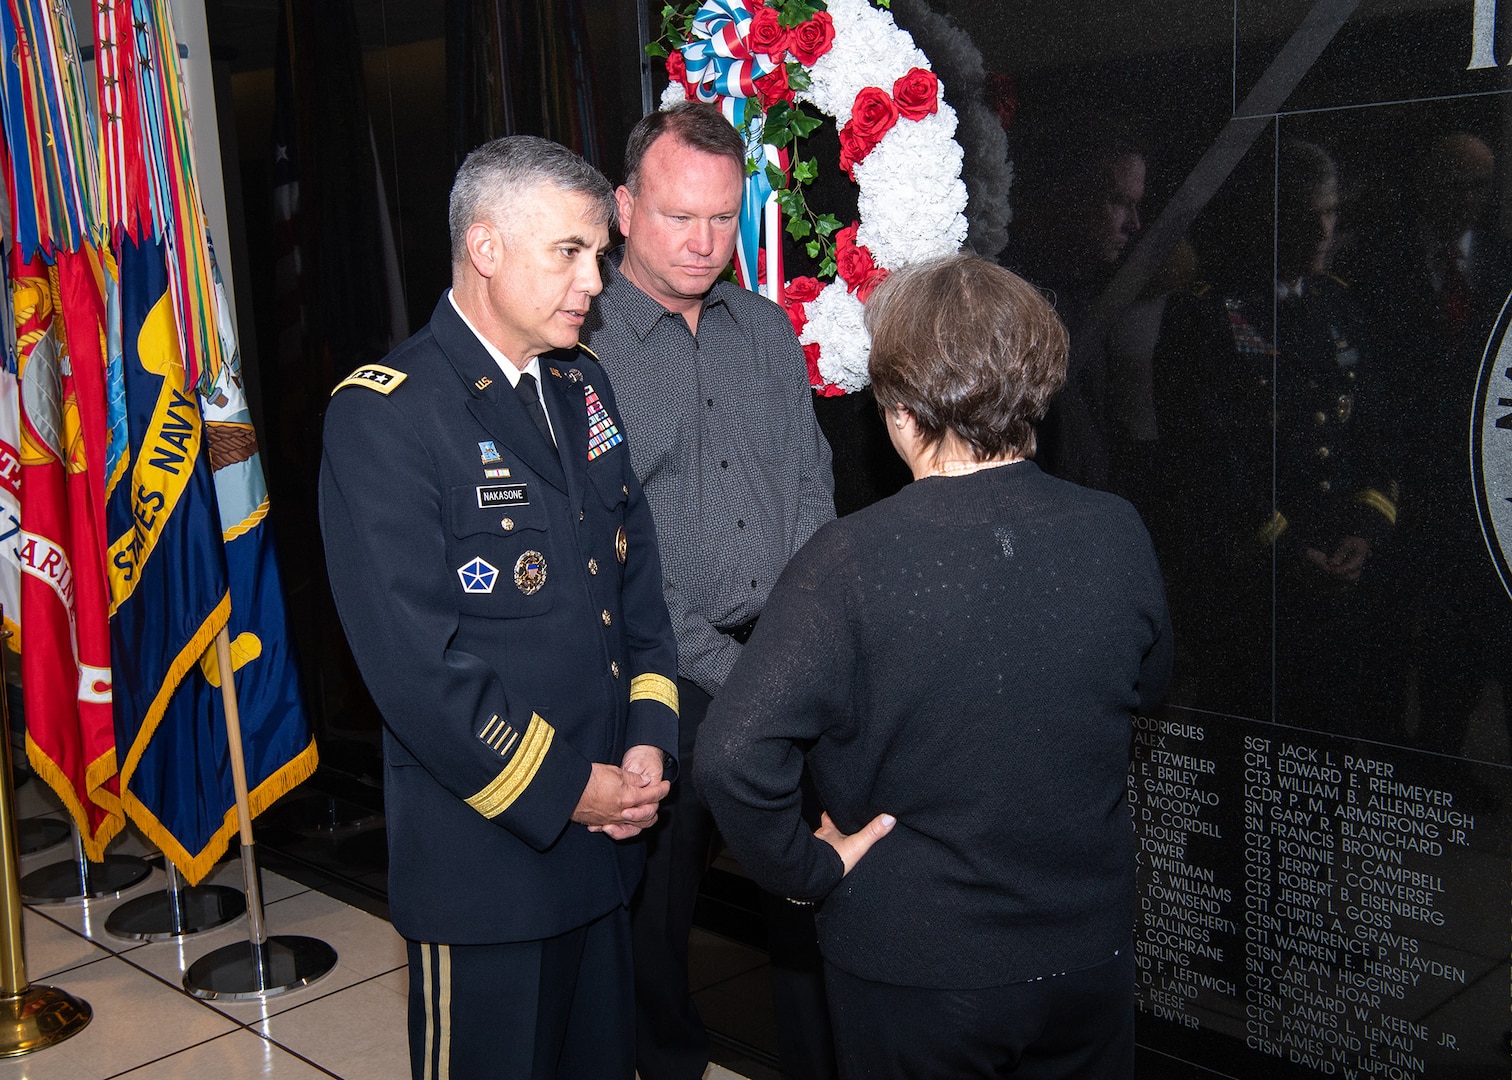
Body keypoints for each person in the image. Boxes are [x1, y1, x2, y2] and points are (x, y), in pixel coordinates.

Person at [696, 252, 1173, 1080]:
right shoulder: (1116, 528)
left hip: (917, 965)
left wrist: (806, 870)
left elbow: (733, 754)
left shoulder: (846, 560)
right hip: (1086, 954)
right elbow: (1150, 684)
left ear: (900, 412)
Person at [319, 135, 679, 1080]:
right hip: (489, 869)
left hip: (605, 859)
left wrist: (648, 740)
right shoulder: (387, 414)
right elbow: (415, 672)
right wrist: (573, 790)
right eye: (569, 251)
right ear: (484, 248)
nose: (594, 279)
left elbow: (633, 592)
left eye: (596, 253)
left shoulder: (581, 386)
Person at [577, 101, 838, 1080]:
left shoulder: (763, 329)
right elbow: (608, 542)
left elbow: (810, 482)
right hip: (659, 674)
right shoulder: (581, 344)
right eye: (680, 216)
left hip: (785, 648)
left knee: (810, 894)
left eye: (723, 219)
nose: (702, 242)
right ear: (623, 206)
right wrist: (729, 666)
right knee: (656, 913)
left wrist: (804, 640)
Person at [1152, 139, 1396, 730]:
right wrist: (1283, 549)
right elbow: (1202, 454)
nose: (1321, 230)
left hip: (1341, 567)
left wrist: (1364, 528)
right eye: (1305, 213)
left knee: (1334, 753)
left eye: (1331, 212)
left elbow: (1373, 431)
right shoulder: (1209, 315)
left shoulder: (1340, 307)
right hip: (1252, 580)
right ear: (1267, 215)